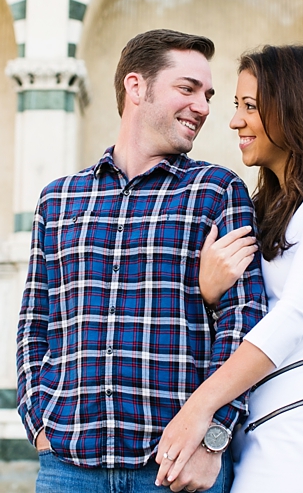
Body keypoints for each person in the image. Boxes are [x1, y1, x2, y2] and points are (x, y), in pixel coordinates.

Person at [16, 29, 267, 493]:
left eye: (208, 96)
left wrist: (213, 440)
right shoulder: (58, 200)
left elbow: (244, 321)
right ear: (136, 87)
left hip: (176, 471)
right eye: (188, 88)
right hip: (68, 469)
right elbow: (35, 323)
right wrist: (39, 426)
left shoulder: (216, 192)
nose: (203, 107)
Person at [155, 45, 303, 493]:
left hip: (299, 441)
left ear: (293, 107)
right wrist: (209, 292)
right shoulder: (270, 205)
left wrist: (198, 408)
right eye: (236, 106)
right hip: (245, 437)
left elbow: (295, 314)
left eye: (250, 106)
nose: (234, 121)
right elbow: (249, 311)